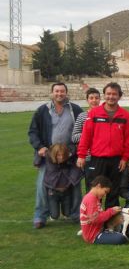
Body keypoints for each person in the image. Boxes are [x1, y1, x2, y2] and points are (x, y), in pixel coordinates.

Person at [28, 82, 83, 228]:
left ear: (66, 93)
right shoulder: (42, 110)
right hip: (48, 156)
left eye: (62, 91)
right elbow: (33, 131)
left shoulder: (75, 110)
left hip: (70, 155)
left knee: (76, 183)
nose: (59, 94)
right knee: (42, 185)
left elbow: (83, 131)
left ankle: (77, 214)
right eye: (57, 91)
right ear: (52, 93)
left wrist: (74, 150)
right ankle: (40, 216)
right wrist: (39, 147)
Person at [76, 82, 129, 209]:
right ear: (104, 95)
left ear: (119, 96)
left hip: (116, 160)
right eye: (108, 94)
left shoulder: (125, 115)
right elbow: (86, 135)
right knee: (95, 190)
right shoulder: (94, 113)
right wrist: (81, 155)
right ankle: (93, 217)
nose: (111, 97)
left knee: (113, 191)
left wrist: (125, 158)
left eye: (114, 94)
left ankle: (111, 219)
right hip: (97, 159)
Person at [80, 176, 127, 245]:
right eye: (105, 192)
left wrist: (112, 211)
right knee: (121, 238)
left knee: (122, 232)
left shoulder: (94, 198)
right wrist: (111, 211)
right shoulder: (91, 199)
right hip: (93, 236)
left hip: (98, 231)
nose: (105, 195)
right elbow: (95, 219)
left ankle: (112, 233)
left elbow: (97, 215)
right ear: (98, 186)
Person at [43, 143, 83, 223]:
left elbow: (74, 152)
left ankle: (66, 212)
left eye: (62, 155)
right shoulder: (49, 159)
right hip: (53, 192)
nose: (61, 157)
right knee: (54, 216)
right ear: (54, 155)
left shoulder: (68, 161)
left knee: (67, 214)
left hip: (66, 192)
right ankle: (53, 213)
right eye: (58, 155)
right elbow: (44, 153)